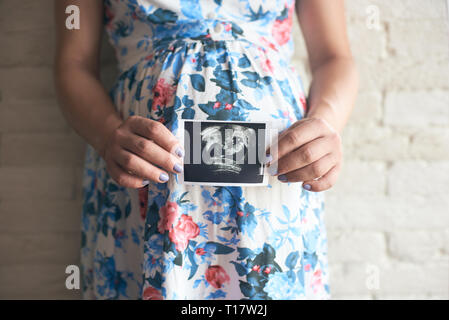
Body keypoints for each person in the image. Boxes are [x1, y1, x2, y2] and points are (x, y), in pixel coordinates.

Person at [54, 0, 358, 300]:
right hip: (143, 174)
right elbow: (74, 63)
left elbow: (334, 57)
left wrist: (326, 122)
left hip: (275, 184)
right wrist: (108, 136)